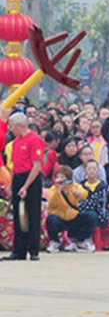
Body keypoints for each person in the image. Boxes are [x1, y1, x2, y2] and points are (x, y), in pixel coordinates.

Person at [3, 112, 44, 261]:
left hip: (31, 179)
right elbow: (14, 166)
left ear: (20, 125)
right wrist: (12, 186)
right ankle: (18, 251)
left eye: (12, 126)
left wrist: (26, 186)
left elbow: (37, 166)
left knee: (32, 214)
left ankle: (33, 250)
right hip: (18, 178)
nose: (10, 129)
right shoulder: (16, 142)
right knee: (18, 216)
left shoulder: (34, 140)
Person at [46, 165, 97, 253]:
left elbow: (84, 195)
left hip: (73, 216)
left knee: (91, 216)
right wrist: (58, 190)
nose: (60, 179)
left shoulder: (74, 186)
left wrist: (78, 193)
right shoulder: (53, 189)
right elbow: (51, 202)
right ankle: (54, 241)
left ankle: (81, 241)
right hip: (59, 218)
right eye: (58, 177)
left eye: (62, 177)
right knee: (51, 219)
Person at [79, 159, 109, 227]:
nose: (92, 171)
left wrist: (86, 203)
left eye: (94, 168)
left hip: (99, 215)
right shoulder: (80, 186)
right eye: (89, 168)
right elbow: (78, 204)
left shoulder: (103, 186)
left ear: (98, 171)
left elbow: (97, 203)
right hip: (83, 213)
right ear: (85, 171)